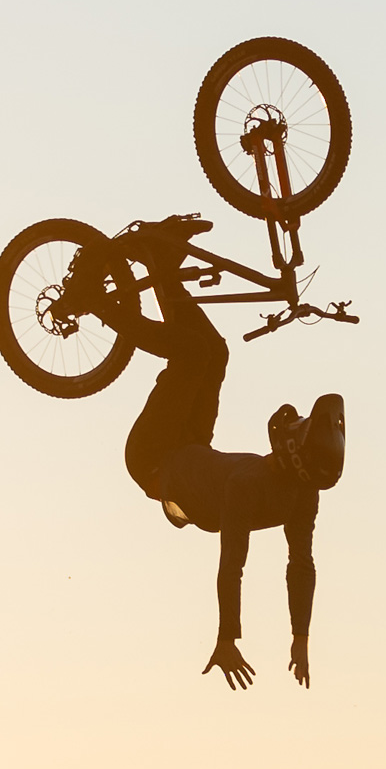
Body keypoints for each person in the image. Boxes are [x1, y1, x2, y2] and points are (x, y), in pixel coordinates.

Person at [93, 214, 343, 687]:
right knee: (214, 353)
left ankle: (93, 303)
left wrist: (228, 636)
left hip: (155, 457)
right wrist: (301, 639)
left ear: (294, 456)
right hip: (190, 443)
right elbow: (301, 567)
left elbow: (233, 564)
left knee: (189, 355)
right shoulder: (301, 494)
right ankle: (161, 266)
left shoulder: (247, 487)